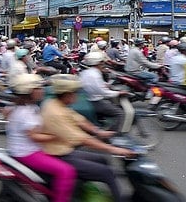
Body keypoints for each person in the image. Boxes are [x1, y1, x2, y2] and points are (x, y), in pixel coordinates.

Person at [41, 74, 135, 202]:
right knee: (107, 172)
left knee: (102, 160)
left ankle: (80, 190)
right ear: (68, 94)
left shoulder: (55, 103)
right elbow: (82, 139)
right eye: (75, 93)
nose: (77, 96)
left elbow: (79, 120)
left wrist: (98, 131)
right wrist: (114, 149)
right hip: (59, 154)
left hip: (65, 150)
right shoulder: (56, 113)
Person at [7, 73, 76, 202]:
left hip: (30, 150)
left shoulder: (27, 107)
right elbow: (35, 136)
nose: (42, 90)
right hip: (27, 153)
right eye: (38, 88)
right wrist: (57, 136)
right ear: (28, 91)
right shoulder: (25, 113)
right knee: (66, 171)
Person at [80, 52, 125, 133]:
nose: (103, 64)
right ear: (98, 63)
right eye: (102, 62)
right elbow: (103, 92)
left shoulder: (86, 72)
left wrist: (106, 85)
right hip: (95, 101)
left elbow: (98, 86)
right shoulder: (95, 74)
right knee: (120, 113)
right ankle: (112, 136)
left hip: (88, 98)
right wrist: (119, 93)